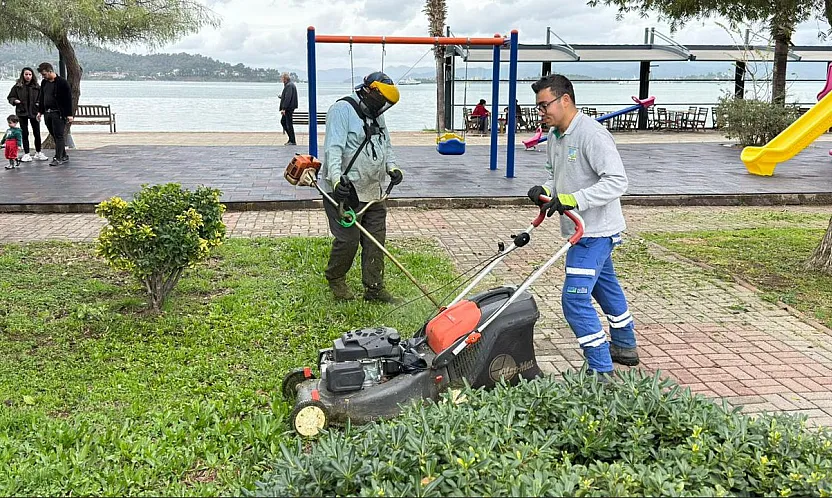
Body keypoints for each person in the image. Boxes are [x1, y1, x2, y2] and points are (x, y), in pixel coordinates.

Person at [526, 73, 638, 376]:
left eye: (544, 105)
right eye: (538, 107)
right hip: (578, 228)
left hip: (595, 232)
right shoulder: (554, 137)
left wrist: (573, 200)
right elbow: (556, 176)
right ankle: (625, 344)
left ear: (565, 100)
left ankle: (601, 370)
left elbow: (617, 182)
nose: (541, 112)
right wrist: (546, 191)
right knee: (605, 286)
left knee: (574, 300)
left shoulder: (592, 134)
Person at [319, 71, 404, 303]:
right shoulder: (341, 110)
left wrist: (392, 168)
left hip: (374, 190)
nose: (383, 108)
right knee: (348, 240)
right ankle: (335, 278)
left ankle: (374, 288)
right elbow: (333, 148)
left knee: (375, 241)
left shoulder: (377, 115)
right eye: (381, 102)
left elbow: (385, 144)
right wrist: (336, 180)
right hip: (345, 192)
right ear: (369, 92)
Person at [36, 62, 73, 167]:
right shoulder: (44, 83)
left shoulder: (62, 83)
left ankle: (58, 157)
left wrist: (69, 114)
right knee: (54, 135)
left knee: (59, 135)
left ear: (50, 71)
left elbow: (68, 99)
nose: (43, 76)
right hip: (47, 113)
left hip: (58, 113)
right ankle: (64, 155)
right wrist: (40, 111)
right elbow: (42, 97)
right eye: (42, 75)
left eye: (44, 74)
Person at [7, 67, 47, 162]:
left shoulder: (37, 87)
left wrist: (39, 108)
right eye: (26, 74)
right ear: (23, 75)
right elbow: (10, 97)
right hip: (22, 113)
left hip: (34, 112)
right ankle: (26, 153)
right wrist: (15, 101)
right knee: (24, 133)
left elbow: (42, 99)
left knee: (37, 132)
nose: (28, 76)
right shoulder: (17, 86)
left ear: (32, 75)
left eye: (30, 74)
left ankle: (38, 152)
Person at [279, 72, 298, 146]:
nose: (281, 79)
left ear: (285, 79)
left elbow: (288, 98)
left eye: (282, 78)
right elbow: (287, 96)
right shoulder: (289, 85)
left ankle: (292, 140)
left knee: (288, 124)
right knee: (284, 122)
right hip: (289, 107)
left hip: (288, 108)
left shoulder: (289, 86)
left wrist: (284, 108)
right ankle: (291, 139)